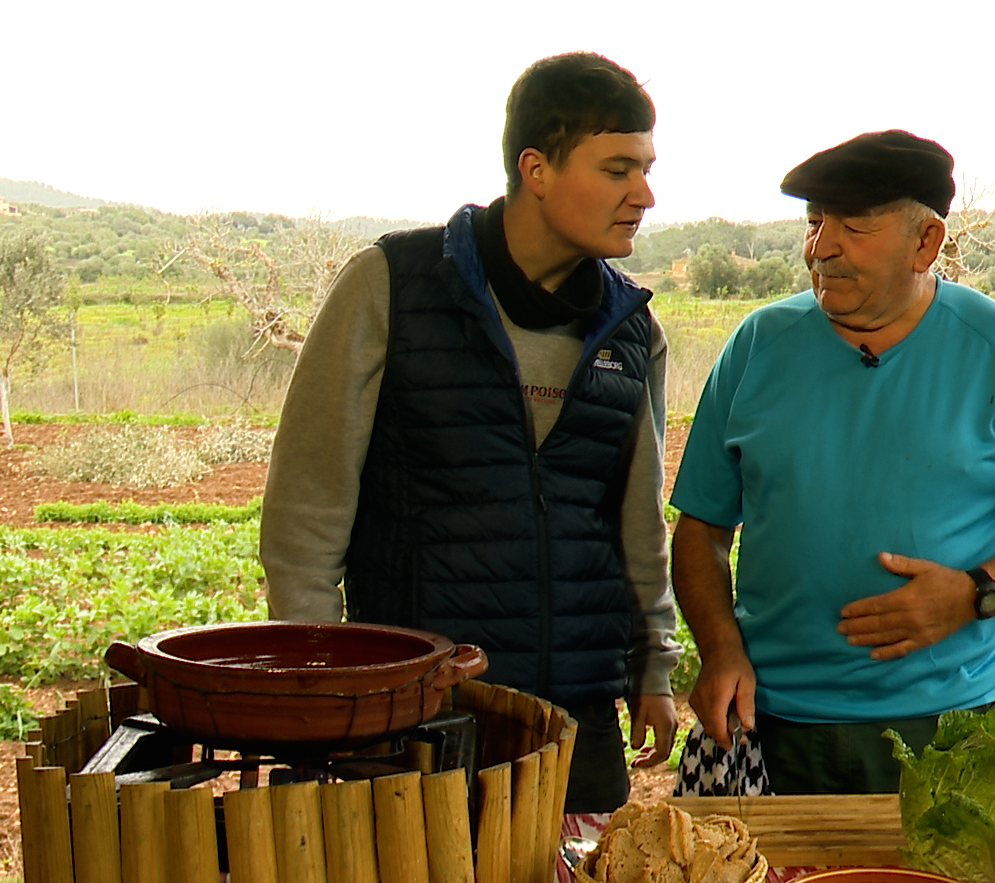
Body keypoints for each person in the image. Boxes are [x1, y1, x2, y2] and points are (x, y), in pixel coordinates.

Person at [260, 53, 680, 813]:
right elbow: (307, 512)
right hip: (416, 715)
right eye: (618, 169)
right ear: (537, 167)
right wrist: (318, 690)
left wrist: (652, 666)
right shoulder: (392, 286)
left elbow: (636, 520)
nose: (643, 195)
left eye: (647, 169)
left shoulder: (631, 329)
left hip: (575, 721)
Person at [668, 130, 995, 796]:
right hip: (773, 724)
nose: (821, 249)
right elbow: (701, 529)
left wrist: (973, 594)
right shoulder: (758, 346)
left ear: (926, 243)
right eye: (815, 223)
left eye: (853, 226)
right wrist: (720, 648)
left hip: (951, 730)